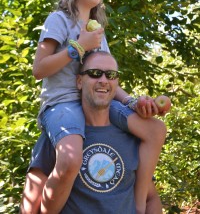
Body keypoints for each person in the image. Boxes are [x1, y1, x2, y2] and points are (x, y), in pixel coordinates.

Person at [23, 0, 167, 214]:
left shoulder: (98, 31)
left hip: (98, 101)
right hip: (63, 103)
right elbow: (39, 70)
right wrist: (78, 47)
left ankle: (137, 204)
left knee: (155, 129)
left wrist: (132, 102)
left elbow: (107, 76)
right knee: (70, 158)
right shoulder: (59, 20)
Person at [20, 51, 166, 214]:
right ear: (79, 81)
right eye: (95, 73)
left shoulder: (134, 136)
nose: (103, 80)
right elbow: (30, 202)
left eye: (111, 75)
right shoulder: (62, 136)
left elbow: (150, 197)